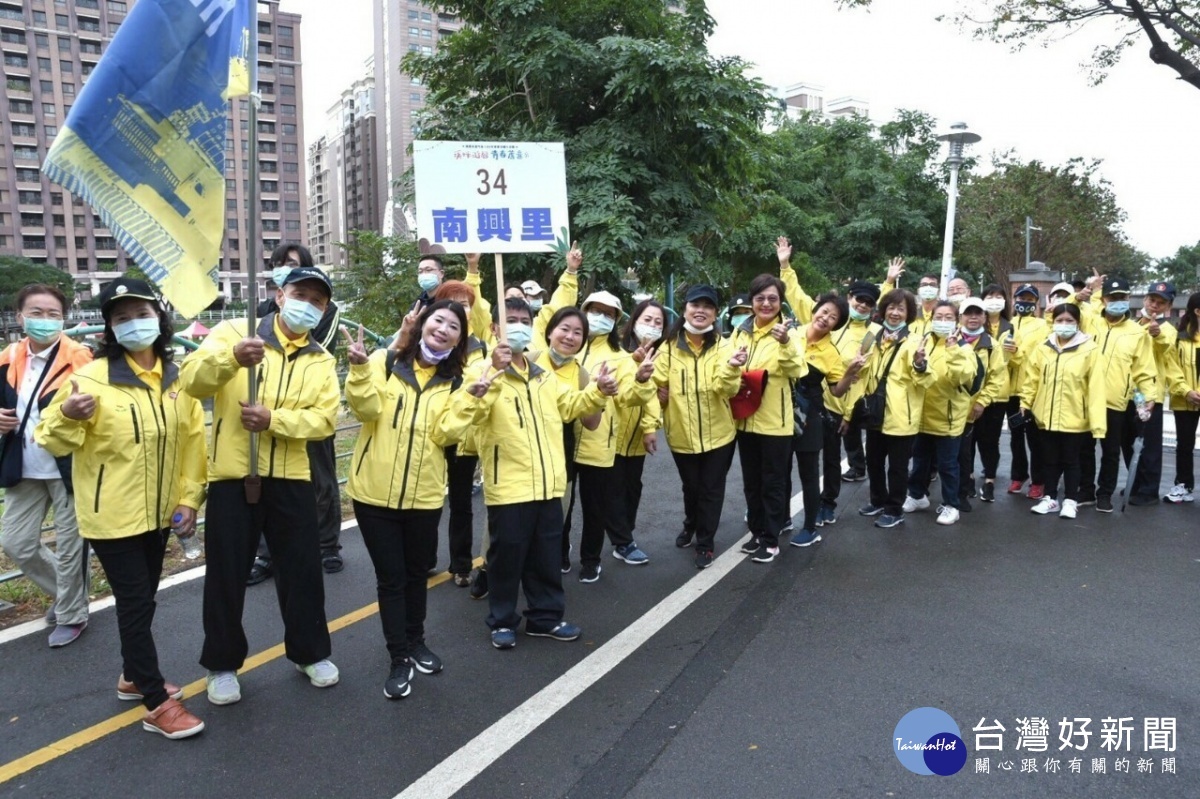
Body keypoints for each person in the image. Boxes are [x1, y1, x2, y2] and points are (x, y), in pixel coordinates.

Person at [35, 277, 206, 738]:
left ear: (160, 318)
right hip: (110, 515)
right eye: (122, 318)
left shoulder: (177, 379)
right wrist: (68, 418)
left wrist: (190, 498)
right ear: (110, 328)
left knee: (144, 599)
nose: (134, 325)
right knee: (134, 604)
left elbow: (193, 442)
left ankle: (132, 677)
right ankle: (154, 700)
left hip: (159, 514)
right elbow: (49, 438)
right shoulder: (89, 378)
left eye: (142, 314)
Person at [180, 265, 342, 705]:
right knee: (227, 575)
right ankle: (222, 664)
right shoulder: (236, 331)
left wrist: (275, 421)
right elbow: (192, 381)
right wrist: (232, 357)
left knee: (301, 571)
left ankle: (310, 653)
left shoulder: (321, 360)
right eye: (300, 294)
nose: (308, 305)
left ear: (325, 309)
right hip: (234, 476)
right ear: (278, 295)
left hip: (291, 478)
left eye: (318, 300)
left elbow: (325, 420)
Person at [450, 297, 617, 650]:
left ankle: (545, 617)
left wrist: (598, 391)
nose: (519, 325)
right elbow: (468, 416)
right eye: (510, 320)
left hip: (549, 484)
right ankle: (502, 620)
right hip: (509, 486)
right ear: (495, 328)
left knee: (546, 557)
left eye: (525, 319)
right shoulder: (479, 371)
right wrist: (491, 377)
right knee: (506, 558)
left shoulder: (543, 376)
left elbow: (573, 406)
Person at [342, 301, 476, 699]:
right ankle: (398, 655)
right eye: (438, 320)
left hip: (424, 496)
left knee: (417, 573)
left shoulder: (456, 382)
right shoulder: (387, 362)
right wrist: (360, 368)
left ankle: (416, 641)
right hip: (374, 496)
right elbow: (364, 409)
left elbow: (446, 434)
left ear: (460, 339)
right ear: (421, 324)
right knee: (392, 578)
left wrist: (474, 397)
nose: (444, 329)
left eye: (453, 326)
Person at [1, 284, 93, 647]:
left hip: (70, 466)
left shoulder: (81, 357)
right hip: (22, 465)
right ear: (19, 316)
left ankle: (72, 612)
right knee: (16, 542)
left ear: (64, 319)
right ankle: (70, 593)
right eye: (36, 313)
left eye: (54, 314)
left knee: (72, 546)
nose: (45, 321)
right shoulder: (7, 357)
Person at [248, 243, 344, 585]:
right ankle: (265, 553)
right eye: (276, 264)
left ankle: (328, 543)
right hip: (266, 414)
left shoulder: (328, 313)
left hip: (308, 404)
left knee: (321, 478)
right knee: (260, 482)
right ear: (278, 294)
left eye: (289, 263)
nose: (281, 267)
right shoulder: (258, 312)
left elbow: (321, 345)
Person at [653, 285, 745, 568]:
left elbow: (725, 389)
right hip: (681, 433)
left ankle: (705, 542)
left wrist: (730, 367)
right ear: (685, 310)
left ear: (716, 314)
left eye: (708, 306)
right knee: (691, 487)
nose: (701, 310)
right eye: (696, 305)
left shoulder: (724, 346)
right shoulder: (668, 347)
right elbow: (656, 383)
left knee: (711, 489)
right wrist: (655, 391)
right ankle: (691, 523)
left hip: (720, 435)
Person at [568, 292, 656, 581]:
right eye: (596, 311)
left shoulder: (621, 358)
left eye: (609, 314)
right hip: (562, 444)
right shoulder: (568, 349)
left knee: (595, 509)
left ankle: (590, 560)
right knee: (560, 509)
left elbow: (630, 397)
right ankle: (558, 552)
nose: (601, 317)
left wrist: (641, 379)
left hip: (599, 443)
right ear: (584, 311)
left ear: (617, 320)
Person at [730, 275, 806, 563]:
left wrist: (785, 342)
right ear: (752, 302)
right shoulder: (741, 333)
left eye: (772, 298)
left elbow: (797, 370)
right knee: (752, 481)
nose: (766, 303)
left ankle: (771, 539)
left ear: (780, 303)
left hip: (776, 423)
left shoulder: (790, 333)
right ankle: (757, 531)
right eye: (760, 298)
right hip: (745, 420)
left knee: (773, 482)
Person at [1075, 277, 1156, 512]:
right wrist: (1077, 295)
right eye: (1113, 298)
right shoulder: (1089, 321)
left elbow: (1144, 368)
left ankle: (1105, 493)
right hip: (1086, 398)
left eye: (1122, 298)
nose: (1118, 302)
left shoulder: (1137, 333)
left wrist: (1149, 396)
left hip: (1115, 402)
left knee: (1111, 452)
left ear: (1129, 299)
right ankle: (1086, 490)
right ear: (1103, 299)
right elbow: (1061, 312)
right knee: (1084, 448)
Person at [788, 294, 864, 546]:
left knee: (809, 473)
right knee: (778, 470)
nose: (826, 318)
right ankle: (780, 518)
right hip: (776, 412)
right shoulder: (791, 333)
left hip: (809, 416)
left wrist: (850, 373)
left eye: (833, 317)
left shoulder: (831, 352)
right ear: (815, 310)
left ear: (836, 325)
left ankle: (810, 527)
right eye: (824, 311)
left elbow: (837, 390)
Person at [855, 289, 935, 529]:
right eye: (891, 307)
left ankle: (894, 508)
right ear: (883, 310)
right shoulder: (873, 337)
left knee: (898, 467)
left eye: (901, 309)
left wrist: (920, 365)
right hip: (875, 412)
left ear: (909, 314)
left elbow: (926, 380)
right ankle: (877, 500)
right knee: (874, 461)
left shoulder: (915, 341)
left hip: (901, 415)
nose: (895, 313)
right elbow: (863, 370)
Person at [1019, 303, 1107, 518]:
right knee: (1049, 459)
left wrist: (1097, 424)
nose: (1064, 325)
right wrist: (1025, 403)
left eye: (1069, 321)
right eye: (1060, 320)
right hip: (1046, 416)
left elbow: (1096, 388)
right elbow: (1032, 379)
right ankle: (1050, 498)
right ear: (1053, 322)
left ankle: (1070, 499)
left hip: (1075, 417)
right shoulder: (1043, 347)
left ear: (1078, 323)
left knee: (1071, 461)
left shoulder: (1090, 349)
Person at [431, 281, 491, 587]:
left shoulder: (479, 345)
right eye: (451, 301)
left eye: (465, 303)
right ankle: (425, 557)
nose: (459, 307)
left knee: (460, 503)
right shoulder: (425, 346)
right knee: (424, 499)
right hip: (428, 434)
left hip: (464, 438)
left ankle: (461, 564)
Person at [903, 301, 977, 526]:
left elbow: (962, 379)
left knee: (947, 465)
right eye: (939, 316)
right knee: (919, 460)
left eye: (948, 317)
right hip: (923, 416)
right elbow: (916, 374)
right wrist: (918, 364)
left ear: (956, 321)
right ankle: (917, 495)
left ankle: (952, 505)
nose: (942, 322)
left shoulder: (964, 348)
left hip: (948, 417)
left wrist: (953, 351)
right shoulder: (924, 342)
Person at [817, 280, 879, 522]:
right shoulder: (831, 323)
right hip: (812, 402)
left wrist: (847, 414)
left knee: (831, 460)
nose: (862, 306)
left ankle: (827, 504)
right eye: (858, 300)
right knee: (804, 460)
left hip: (836, 406)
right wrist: (785, 267)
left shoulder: (871, 336)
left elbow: (858, 379)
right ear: (849, 297)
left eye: (868, 303)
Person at [613, 299, 666, 562]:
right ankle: (622, 541)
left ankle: (624, 537)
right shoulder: (617, 351)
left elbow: (654, 396)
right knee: (610, 490)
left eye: (658, 322)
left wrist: (649, 427)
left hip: (636, 439)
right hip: (610, 436)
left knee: (632, 488)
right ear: (634, 322)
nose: (652, 326)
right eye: (647, 320)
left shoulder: (659, 355)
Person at [1128, 281, 1182, 506]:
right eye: (1152, 300)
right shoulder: (1132, 324)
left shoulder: (1167, 329)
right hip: (1129, 393)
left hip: (1149, 397)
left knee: (1149, 444)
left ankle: (1149, 491)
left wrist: (1156, 333)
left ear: (1169, 306)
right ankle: (1136, 484)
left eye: (1161, 303)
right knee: (1131, 441)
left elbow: (1164, 346)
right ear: (1144, 300)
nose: (1155, 306)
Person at [953, 298, 1006, 511]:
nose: (973, 317)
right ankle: (965, 487)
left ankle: (988, 482)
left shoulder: (992, 345)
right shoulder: (952, 339)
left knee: (988, 445)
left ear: (985, 317)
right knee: (962, 452)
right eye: (968, 313)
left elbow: (997, 378)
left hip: (983, 407)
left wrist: (982, 402)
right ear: (961, 317)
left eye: (978, 313)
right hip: (955, 406)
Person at [970, 285, 1016, 503]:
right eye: (990, 296)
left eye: (999, 296)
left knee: (990, 440)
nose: (995, 300)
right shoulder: (974, 324)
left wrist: (1016, 352)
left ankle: (989, 480)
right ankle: (968, 477)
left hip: (998, 394)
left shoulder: (1012, 326)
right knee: (968, 439)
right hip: (971, 394)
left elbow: (1016, 360)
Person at [1006, 284, 1049, 499]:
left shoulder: (1043, 326)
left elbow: (1039, 356)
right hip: (1009, 391)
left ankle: (1038, 480)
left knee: (1035, 438)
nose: (1025, 303)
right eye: (1021, 298)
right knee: (1015, 437)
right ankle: (1018, 475)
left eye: (1030, 300)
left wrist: (1017, 353)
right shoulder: (1008, 324)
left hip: (1031, 390)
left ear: (1036, 303)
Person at [1166, 291, 1200, 504]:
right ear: (1197, 311)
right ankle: (1183, 486)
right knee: (1184, 445)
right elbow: (1171, 368)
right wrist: (1186, 390)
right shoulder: (1179, 337)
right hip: (1185, 400)